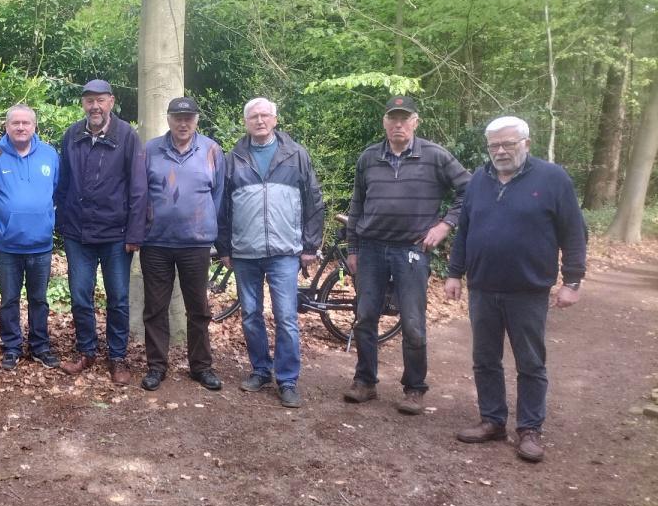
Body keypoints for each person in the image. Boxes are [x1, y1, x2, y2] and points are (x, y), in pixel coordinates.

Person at [444, 116, 586, 463]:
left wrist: (571, 281)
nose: (501, 151)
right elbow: (464, 230)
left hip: (529, 289)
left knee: (530, 362)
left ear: (526, 142)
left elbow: (574, 232)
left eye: (508, 143)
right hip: (483, 287)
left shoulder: (552, 179)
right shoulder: (479, 179)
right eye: (494, 145)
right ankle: (492, 420)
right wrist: (454, 273)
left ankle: (529, 430)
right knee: (485, 359)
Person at [343, 96, 471, 413]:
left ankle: (414, 388)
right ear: (384, 122)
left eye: (404, 118)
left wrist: (445, 225)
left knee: (413, 322)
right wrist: (353, 248)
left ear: (415, 121)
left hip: (412, 250)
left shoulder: (435, 156)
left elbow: (469, 190)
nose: (398, 124)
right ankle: (365, 382)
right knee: (365, 317)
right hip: (371, 247)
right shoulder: (369, 157)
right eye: (392, 119)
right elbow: (356, 205)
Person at [218, 98, 324, 408]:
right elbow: (222, 206)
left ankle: (288, 379)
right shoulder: (233, 158)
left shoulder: (296, 155)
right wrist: (224, 247)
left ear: (275, 120)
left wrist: (310, 245)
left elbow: (314, 201)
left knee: (287, 317)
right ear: (245, 122)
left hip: (284, 252)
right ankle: (260, 370)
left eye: (265, 115)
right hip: (245, 251)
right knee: (251, 315)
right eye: (253, 116)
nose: (260, 120)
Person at [54, 79, 147, 385]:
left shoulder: (127, 137)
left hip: (116, 235)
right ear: (83, 104)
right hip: (77, 234)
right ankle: (86, 351)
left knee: (118, 298)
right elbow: (63, 183)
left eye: (101, 100)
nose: (95, 106)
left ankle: (117, 358)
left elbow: (137, 188)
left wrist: (134, 233)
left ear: (112, 102)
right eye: (89, 100)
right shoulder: (73, 135)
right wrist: (63, 221)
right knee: (80, 295)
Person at [138, 98, 226, 392]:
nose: (183, 123)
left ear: (197, 120)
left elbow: (218, 196)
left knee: (198, 308)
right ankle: (156, 366)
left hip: (196, 243)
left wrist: (209, 230)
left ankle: (201, 366)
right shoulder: (150, 149)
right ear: (169, 119)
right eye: (177, 117)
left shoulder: (212, 150)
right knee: (155, 308)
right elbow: (139, 193)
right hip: (156, 242)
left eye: (189, 117)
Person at [0, 104, 61, 371]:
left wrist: (44, 219)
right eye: (16, 123)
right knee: (9, 299)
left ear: (34, 126)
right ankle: (11, 347)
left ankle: (40, 347)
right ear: (7, 126)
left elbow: (57, 191)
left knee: (39, 299)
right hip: (8, 245)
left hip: (41, 245)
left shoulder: (49, 155)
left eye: (26, 123)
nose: (21, 127)